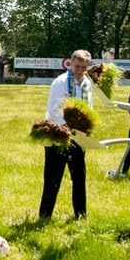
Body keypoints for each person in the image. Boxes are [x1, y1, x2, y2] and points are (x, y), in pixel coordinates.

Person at [39, 50, 93, 220]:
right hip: (58, 134)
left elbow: (88, 106)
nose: (80, 70)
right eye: (77, 66)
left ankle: (80, 215)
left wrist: (86, 125)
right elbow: (54, 109)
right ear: (70, 64)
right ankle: (45, 216)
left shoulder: (87, 83)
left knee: (79, 177)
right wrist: (66, 127)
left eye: (84, 67)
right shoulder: (60, 82)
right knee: (53, 178)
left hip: (77, 135)